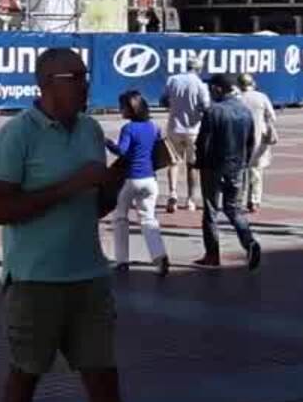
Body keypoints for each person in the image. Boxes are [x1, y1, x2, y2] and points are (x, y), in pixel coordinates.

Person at [0, 48, 187, 402]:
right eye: (76, 77)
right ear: (46, 83)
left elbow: (90, 206)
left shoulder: (92, 132)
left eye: (86, 77)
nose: (85, 86)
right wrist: (70, 184)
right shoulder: (17, 137)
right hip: (35, 279)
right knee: (25, 378)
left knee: (105, 382)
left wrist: (117, 178)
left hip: (88, 277)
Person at [192, 73, 262, 271]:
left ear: (218, 89)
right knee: (233, 208)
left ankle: (212, 254)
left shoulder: (213, 111)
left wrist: (199, 162)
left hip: (214, 167)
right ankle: (249, 242)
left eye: (211, 89)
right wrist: (244, 163)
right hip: (237, 166)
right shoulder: (244, 111)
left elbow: (203, 142)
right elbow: (250, 142)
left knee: (211, 211)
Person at [108, 90, 169, 275]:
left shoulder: (129, 128)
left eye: (122, 107)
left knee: (120, 218)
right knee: (148, 218)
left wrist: (108, 143)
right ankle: (159, 256)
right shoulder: (153, 127)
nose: (120, 110)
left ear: (130, 109)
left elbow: (122, 152)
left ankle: (122, 260)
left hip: (130, 179)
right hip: (150, 180)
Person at [160, 67, 210, 214]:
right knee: (192, 165)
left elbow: (163, 100)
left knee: (173, 162)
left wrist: (174, 106)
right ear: (198, 69)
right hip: (193, 128)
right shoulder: (201, 85)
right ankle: (190, 199)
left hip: (174, 126)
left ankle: (173, 193)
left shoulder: (173, 80)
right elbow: (206, 106)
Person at [235, 73, 279, 213]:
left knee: (240, 170)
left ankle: (238, 198)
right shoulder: (261, 97)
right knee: (256, 171)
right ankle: (254, 200)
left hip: (239, 138)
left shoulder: (237, 98)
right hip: (258, 139)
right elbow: (272, 117)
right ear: (252, 83)